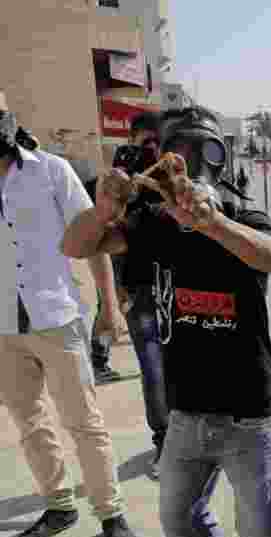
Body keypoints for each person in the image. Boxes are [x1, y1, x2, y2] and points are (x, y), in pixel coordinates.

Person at [64, 106, 271, 537]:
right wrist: (107, 206)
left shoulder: (240, 210)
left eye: (201, 151)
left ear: (219, 156)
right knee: (176, 517)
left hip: (246, 410)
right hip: (186, 408)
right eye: (175, 152)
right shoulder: (148, 223)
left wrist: (212, 222)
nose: (187, 166)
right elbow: (77, 245)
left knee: (259, 526)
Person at [0, 93, 138, 537]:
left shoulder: (50, 171)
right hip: (3, 327)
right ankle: (58, 505)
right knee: (29, 421)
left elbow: (93, 236)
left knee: (84, 421)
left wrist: (108, 304)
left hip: (55, 316)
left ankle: (111, 512)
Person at [84, 112, 171, 478]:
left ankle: (194, 442)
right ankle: (164, 444)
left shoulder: (171, 174)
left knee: (186, 366)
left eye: (157, 143)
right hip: (139, 289)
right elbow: (100, 231)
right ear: (132, 141)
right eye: (144, 143)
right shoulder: (123, 179)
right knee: (153, 370)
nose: (151, 150)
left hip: (177, 285)